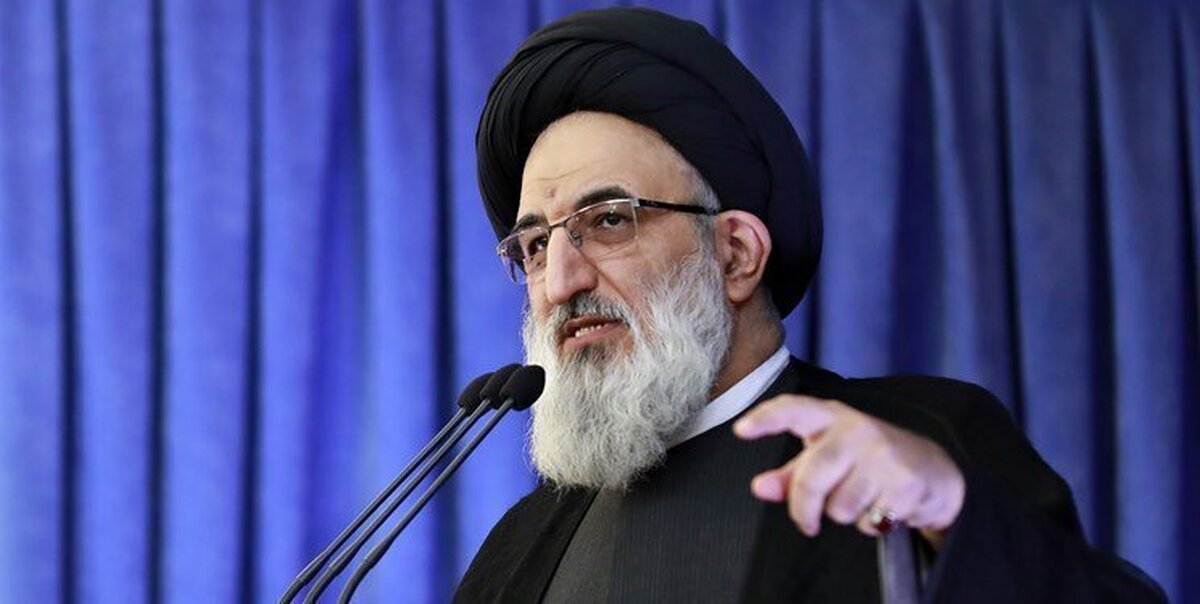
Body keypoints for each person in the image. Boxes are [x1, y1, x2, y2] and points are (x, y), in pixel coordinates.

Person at [453, 7, 1163, 603]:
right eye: (535, 246)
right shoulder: (520, 544)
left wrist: (952, 519)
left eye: (609, 219)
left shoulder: (921, 444)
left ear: (736, 255)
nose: (560, 281)